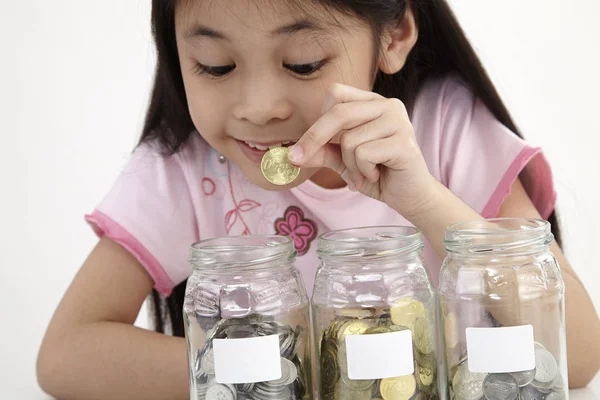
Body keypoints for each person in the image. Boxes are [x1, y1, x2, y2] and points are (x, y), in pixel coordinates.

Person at [37, 0, 599, 398]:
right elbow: (64, 356)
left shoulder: (446, 129)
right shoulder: (183, 170)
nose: (258, 106)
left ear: (394, 34)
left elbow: (576, 354)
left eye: (303, 62)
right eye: (216, 66)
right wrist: (289, 374)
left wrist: (423, 199)